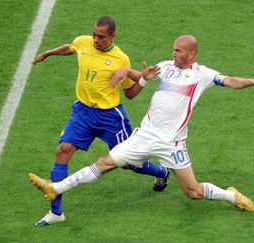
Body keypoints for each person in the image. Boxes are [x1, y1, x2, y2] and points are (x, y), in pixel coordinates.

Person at [29, 34, 254, 213]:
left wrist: (251, 81)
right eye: (173, 49)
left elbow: (230, 81)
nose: (173, 54)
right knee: (105, 163)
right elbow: (144, 75)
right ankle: (54, 188)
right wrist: (129, 72)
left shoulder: (202, 74)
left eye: (178, 51)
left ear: (191, 54)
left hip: (172, 143)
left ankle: (231, 196)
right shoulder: (166, 66)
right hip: (145, 135)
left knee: (193, 191)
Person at [30, 16, 169, 226]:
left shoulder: (121, 59)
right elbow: (70, 47)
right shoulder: (84, 42)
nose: (96, 40)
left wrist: (142, 79)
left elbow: (130, 93)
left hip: (110, 117)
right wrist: (48, 53)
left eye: (101, 37)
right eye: (94, 34)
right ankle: (56, 212)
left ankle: (161, 172)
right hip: (82, 113)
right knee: (63, 151)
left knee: (128, 164)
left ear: (112, 36)